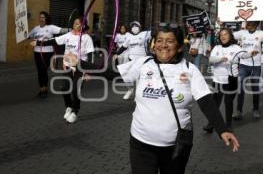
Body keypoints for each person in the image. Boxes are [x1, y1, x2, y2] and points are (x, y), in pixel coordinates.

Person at [65, 23, 240, 174]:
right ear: (153, 44)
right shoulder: (142, 64)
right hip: (141, 144)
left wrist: (222, 129)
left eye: (169, 41)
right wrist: (80, 63)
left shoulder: (190, 69)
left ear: (179, 46)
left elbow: (206, 102)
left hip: (176, 147)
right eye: (159, 40)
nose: (163, 45)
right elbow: (113, 73)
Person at [30, 17, 95, 123]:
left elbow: (90, 54)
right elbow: (54, 41)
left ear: (83, 26)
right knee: (64, 87)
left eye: (78, 23)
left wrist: (88, 72)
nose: (75, 24)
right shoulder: (68, 35)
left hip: (81, 68)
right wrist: (38, 43)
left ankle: (75, 112)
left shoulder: (86, 38)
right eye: (74, 22)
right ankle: (69, 106)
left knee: (75, 90)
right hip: (68, 66)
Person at [203, 28, 258, 132]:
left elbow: (243, 54)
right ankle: (211, 124)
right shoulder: (217, 47)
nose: (223, 37)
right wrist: (220, 59)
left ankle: (228, 124)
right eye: (221, 35)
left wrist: (251, 53)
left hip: (231, 79)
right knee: (215, 104)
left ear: (230, 36)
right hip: (218, 80)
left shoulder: (236, 47)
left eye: (225, 34)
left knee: (228, 103)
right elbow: (210, 59)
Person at [232, 16, 263, 119]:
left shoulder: (261, 34)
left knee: (255, 88)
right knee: (240, 89)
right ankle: (239, 111)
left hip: (256, 66)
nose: (248, 23)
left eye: (250, 22)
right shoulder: (242, 33)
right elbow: (228, 35)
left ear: (256, 23)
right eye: (247, 22)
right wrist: (222, 25)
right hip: (243, 65)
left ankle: (255, 110)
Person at [28, 11, 62, 97]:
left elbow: (61, 30)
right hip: (37, 53)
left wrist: (72, 29)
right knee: (39, 71)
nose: (41, 19)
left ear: (46, 18)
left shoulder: (51, 27)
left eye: (43, 17)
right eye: (40, 17)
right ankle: (42, 89)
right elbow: (28, 36)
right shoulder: (36, 29)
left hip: (48, 53)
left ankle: (45, 89)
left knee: (44, 70)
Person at [115, 21, 151, 100]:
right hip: (131, 60)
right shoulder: (129, 37)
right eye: (132, 26)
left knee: (139, 78)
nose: (134, 28)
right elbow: (123, 47)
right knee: (126, 76)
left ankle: (137, 96)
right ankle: (130, 90)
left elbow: (155, 32)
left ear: (140, 27)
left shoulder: (145, 34)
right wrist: (116, 54)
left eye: (136, 26)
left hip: (142, 60)